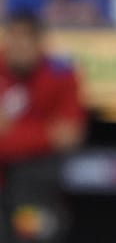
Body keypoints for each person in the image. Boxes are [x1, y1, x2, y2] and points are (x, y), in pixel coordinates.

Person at [0, 11, 87, 168]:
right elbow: (57, 136)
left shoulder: (61, 74)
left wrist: (12, 132)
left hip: (42, 168)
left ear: (40, 43)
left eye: (28, 38)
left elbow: (69, 136)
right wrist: (47, 133)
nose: (20, 46)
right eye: (14, 37)